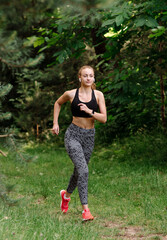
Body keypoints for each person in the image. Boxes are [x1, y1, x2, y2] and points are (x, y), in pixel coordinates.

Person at [51, 65, 107, 221]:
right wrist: (55, 123)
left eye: (91, 75)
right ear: (80, 78)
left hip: (89, 137)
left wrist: (90, 112)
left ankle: (66, 195)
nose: (88, 78)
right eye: (85, 75)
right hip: (73, 135)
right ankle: (86, 211)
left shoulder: (98, 95)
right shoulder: (71, 94)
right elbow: (57, 103)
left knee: (79, 172)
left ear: (93, 78)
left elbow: (104, 119)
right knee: (84, 170)